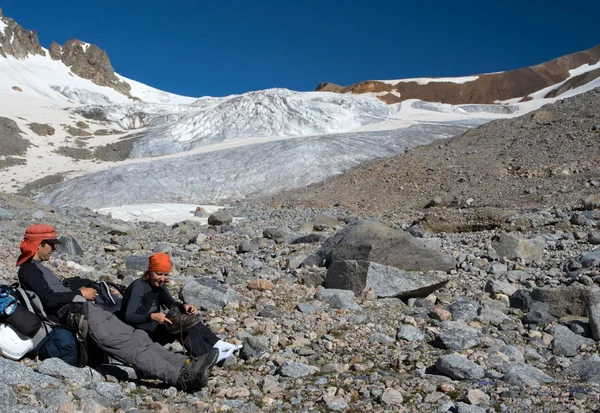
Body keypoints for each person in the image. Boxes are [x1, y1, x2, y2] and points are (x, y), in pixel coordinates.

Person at [16, 224, 218, 391]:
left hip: (87, 312)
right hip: (81, 316)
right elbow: (50, 299)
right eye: (50, 244)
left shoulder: (36, 269)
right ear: (39, 244)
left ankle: (184, 364)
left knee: (138, 338)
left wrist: (79, 288)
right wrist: (80, 294)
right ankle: (181, 377)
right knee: (129, 346)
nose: (54, 249)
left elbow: (53, 292)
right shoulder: (29, 269)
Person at [121, 252, 239, 363]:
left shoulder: (159, 284)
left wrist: (184, 307)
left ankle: (216, 343)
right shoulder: (139, 287)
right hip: (140, 332)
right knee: (180, 327)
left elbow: (171, 304)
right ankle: (207, 356)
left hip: (155, 324)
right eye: (159, 274)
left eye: (165, 274)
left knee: (188, 317)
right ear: (150, 271)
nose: (162, 278)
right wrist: (152, 316)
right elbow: (129, 316)